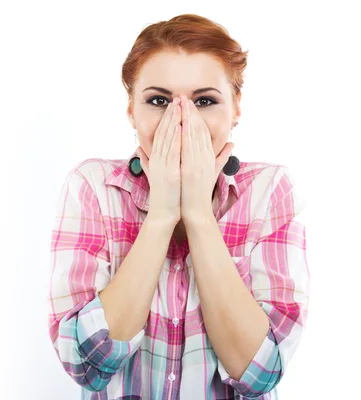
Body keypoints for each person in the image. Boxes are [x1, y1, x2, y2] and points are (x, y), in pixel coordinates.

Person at [47, 13, 309, 400]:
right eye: (158, 100)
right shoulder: (92, 187)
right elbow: (86, 366)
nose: (181, 121)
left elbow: (260, 373)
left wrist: (199, 215)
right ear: (131, 111)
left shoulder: (271, 191)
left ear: (236, 108)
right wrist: (163, 213)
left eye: (205, 101)